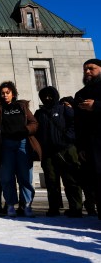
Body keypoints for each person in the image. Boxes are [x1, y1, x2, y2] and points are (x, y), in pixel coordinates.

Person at [0, 81, 41, 218]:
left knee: (25, 177)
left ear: (13, 94)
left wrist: (25, 130)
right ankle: (11, 205)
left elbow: (34, 123)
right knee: (6, 177)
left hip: (22, 144)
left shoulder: (22, 106)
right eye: (3, 93)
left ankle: (27, 205)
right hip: (5, 145)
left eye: (8, 93)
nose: (5, 95)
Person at [34, 86, 82, 217]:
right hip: (48, 152)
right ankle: (54, 208)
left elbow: (74, 124)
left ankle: (76, 208)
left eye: (50, 96)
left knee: (71, 180)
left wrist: (68, 138)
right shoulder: (40, 113)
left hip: (66, 150)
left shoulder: (64, 109)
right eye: (44, 96)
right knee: (51, 182)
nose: (47, 98)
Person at [74, 58, 101, 219]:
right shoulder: (81, 94)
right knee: (96, 180)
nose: (87, 72)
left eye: (91, 68)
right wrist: (81, 147)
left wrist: (96, 106)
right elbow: (78, 124)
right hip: (91, 145)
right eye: (85, 69)